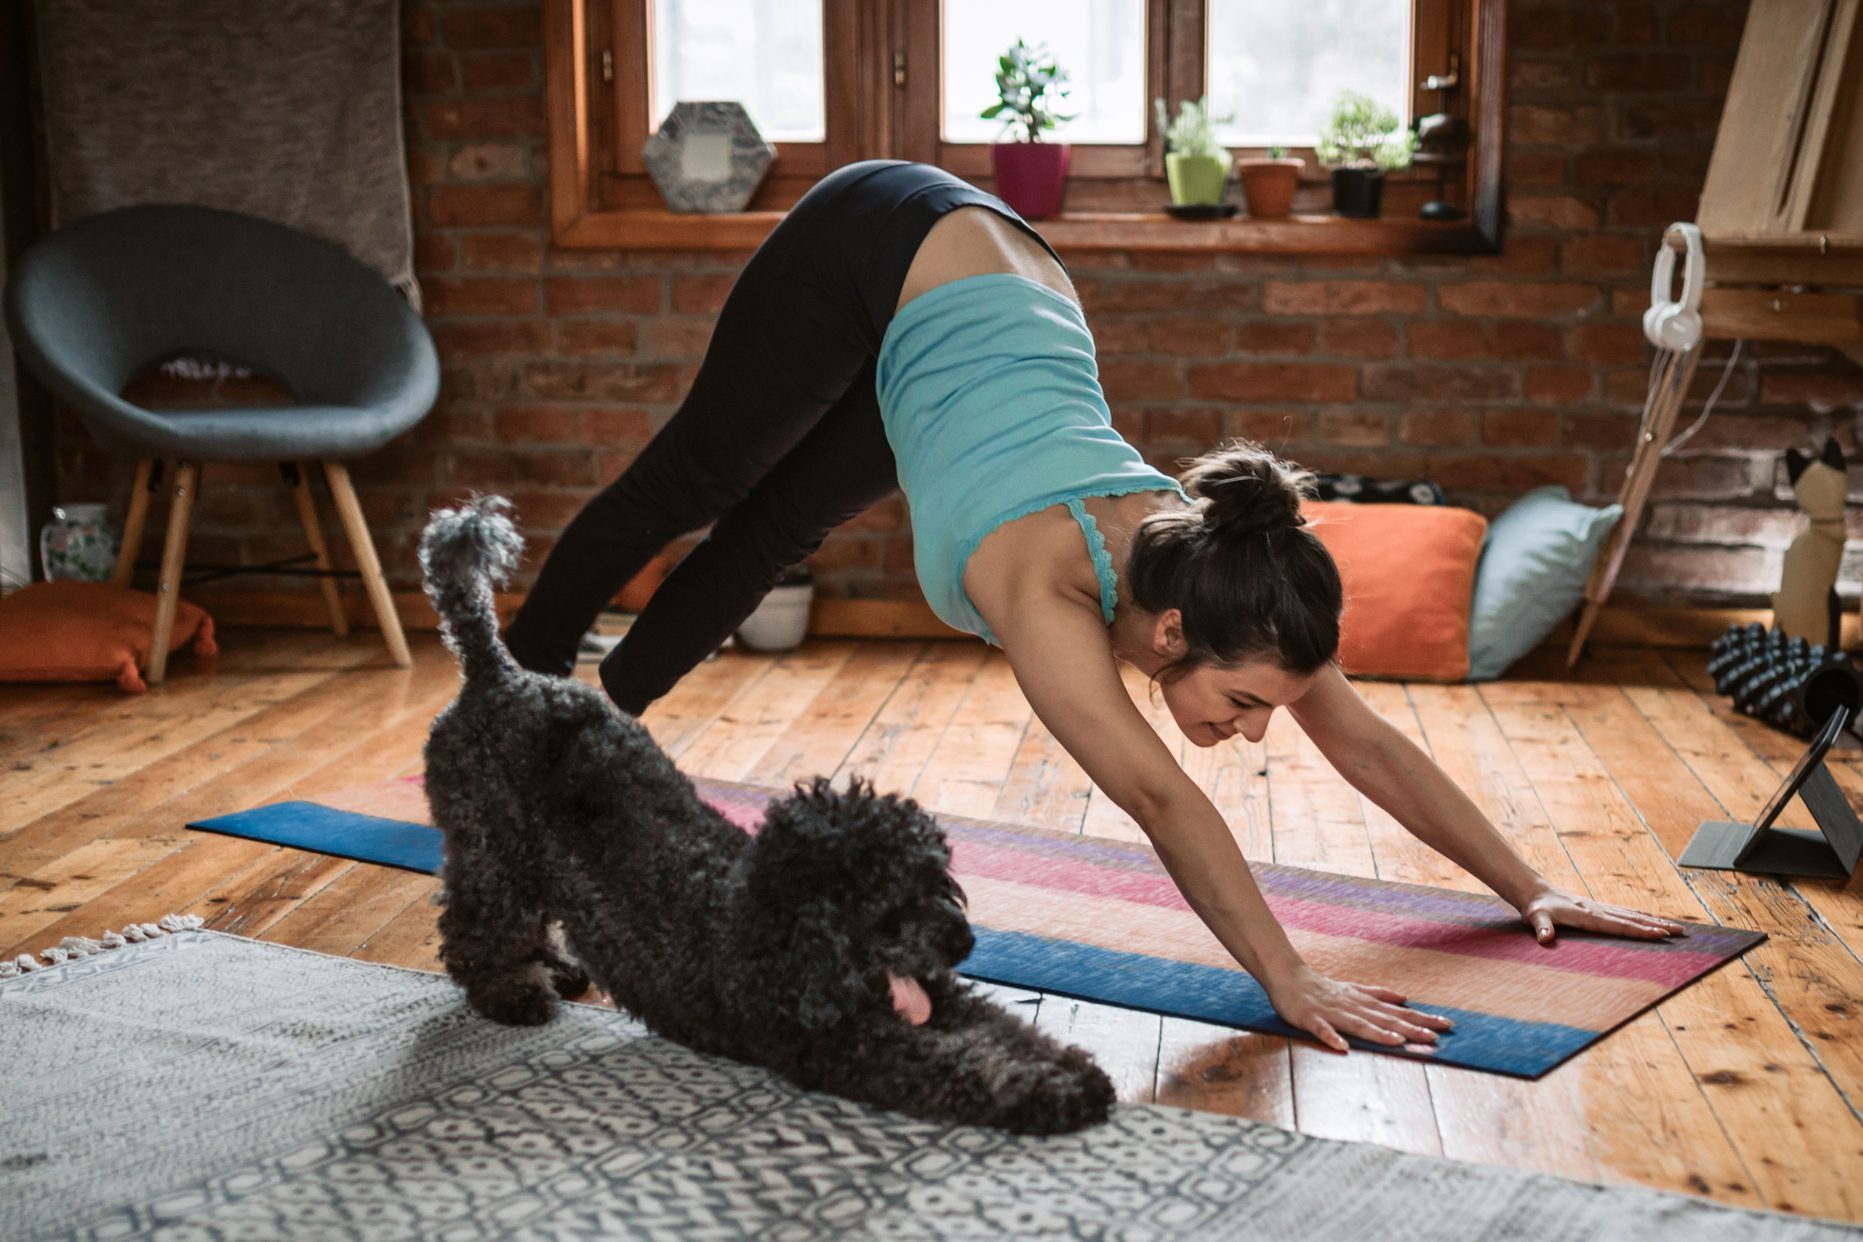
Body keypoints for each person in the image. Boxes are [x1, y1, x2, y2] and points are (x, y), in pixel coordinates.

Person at [505, 160, 1687, 1053]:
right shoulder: (1046, 591)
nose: (1259, 730)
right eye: (1245, 704)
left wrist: (1526, 885)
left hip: (992, 293)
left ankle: (589, 721)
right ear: (1170, 637)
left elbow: (1363, 737)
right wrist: (1287, 978)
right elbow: (1162, 797)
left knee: (776, 530)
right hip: (883, 239)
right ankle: (513, 700)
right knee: (699, 485)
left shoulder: (1228, 585)